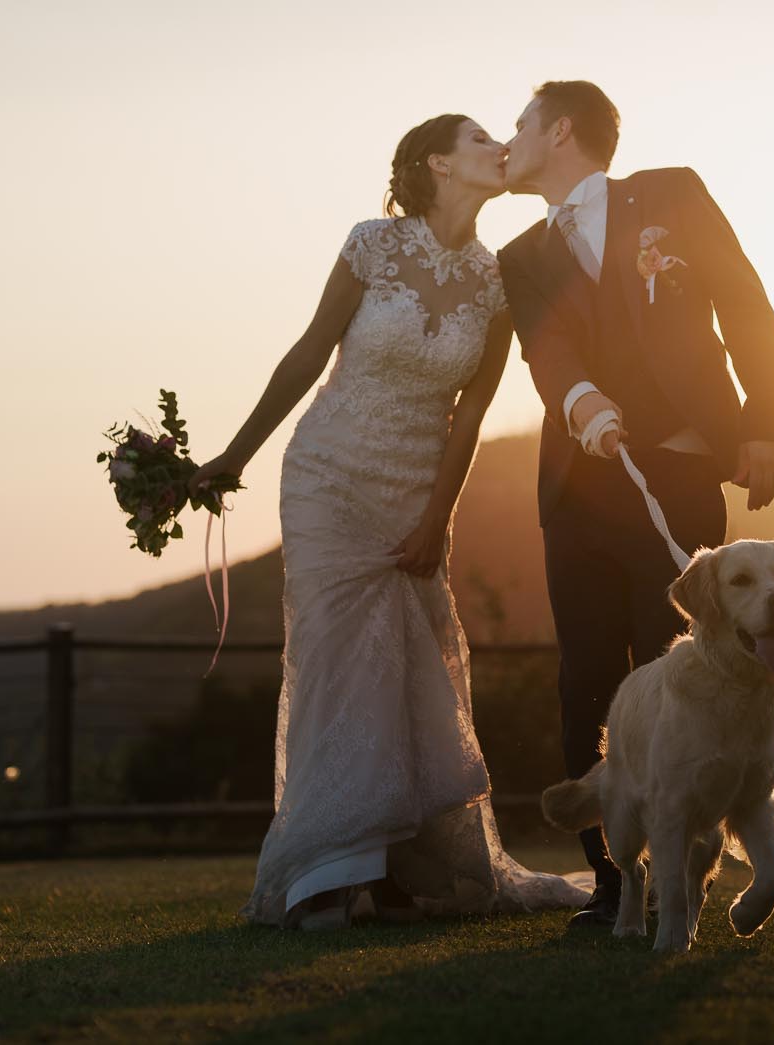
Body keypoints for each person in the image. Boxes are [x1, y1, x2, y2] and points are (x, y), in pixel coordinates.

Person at [191, 113, 590, 930]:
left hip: (416, 488)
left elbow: (472, 415)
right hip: (327, 476)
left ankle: (400, 866)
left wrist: (439, 518)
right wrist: (232, 456)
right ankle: (324, 876)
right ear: (437, 162)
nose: (496, 145)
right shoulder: (371, 245)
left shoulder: (498, 277)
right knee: (339, 660)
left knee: (410, 671)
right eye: (480, 136)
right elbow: (308, 354)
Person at [497, 80, 774, 929]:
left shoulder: (671, 193)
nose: (509, 137)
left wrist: (766, 420)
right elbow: (545, 348)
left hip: (677, 474)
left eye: (518, 122)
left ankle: (692, 874)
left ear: (560, 129)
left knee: (690, 676)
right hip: (579, 498)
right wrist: (582, 397)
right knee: (588, 680)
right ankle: (614, 883)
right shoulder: (521, 255)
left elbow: (742, 298)